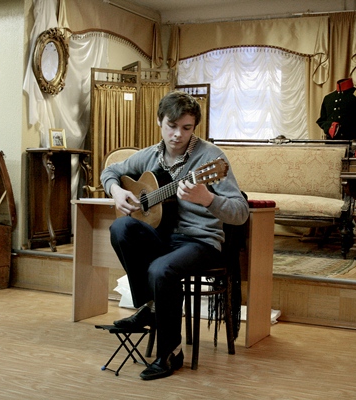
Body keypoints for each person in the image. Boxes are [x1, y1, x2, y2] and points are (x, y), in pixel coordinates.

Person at [100, 90, 249, 380]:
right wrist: (116, 191)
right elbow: (111, 171)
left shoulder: (211, 158)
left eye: (186, 128)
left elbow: (240, 212)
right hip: (165, 239)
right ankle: (151, 306)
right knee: (120, 227)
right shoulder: (150, 155)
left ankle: (171, 353)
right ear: (160, 121)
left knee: (161, 269)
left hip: (200, 241)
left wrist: (209, 199)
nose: (178, 134)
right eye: (171, 126)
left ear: (195, 127)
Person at [316, 77, 356, 157]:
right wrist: (330, 126)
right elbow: (321, 120)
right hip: (331, 145)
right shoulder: (328, 98)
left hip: (352, 145)